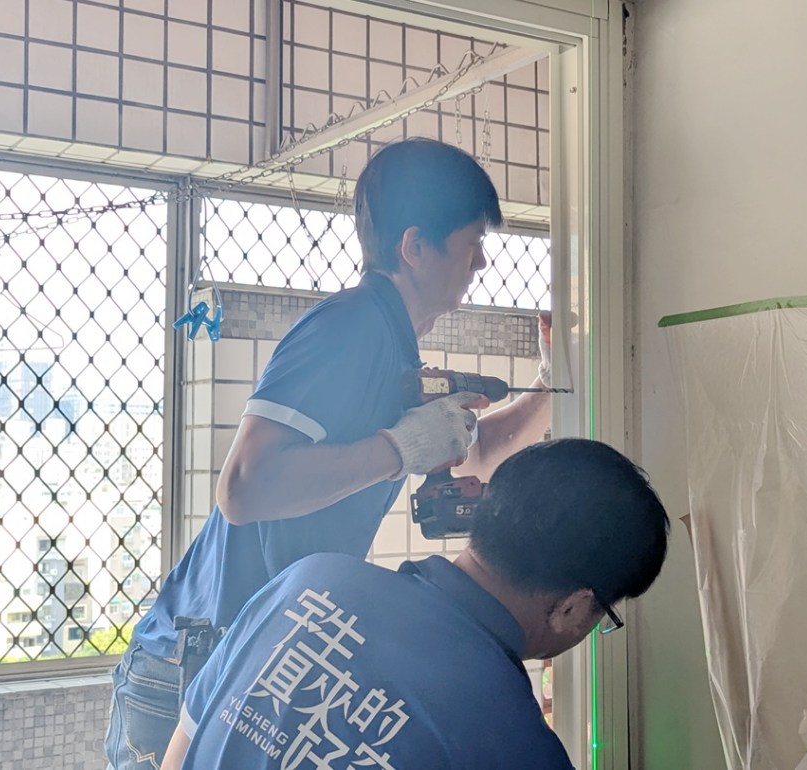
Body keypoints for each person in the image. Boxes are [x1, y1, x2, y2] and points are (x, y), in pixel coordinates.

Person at [105, 138, 557, 769]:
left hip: (249, 652)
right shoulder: (350, 325)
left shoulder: (389, 340)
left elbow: (469, 451)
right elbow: (244, 488)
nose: (481, 261)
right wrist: (401, 447)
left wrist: (544, 386)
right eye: (472, 241)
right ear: (414, 246)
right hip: (195, 667)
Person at [158, 438, 670, 770]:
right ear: (574, 607)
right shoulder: (514, 742)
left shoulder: (307, 584)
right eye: (604, 615)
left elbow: (182, 750)